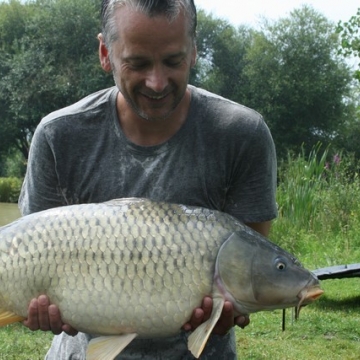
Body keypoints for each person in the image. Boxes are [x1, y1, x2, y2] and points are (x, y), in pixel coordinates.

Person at [19, 0, 277, 358]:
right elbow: (30, 255)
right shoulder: (58, 135)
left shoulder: (241, 135)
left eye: (173, 61)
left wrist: (232, 308)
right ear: (105, 53)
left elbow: (251, 267)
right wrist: (33, 304)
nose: (157, 83)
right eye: (137, 63)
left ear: (194, 49)